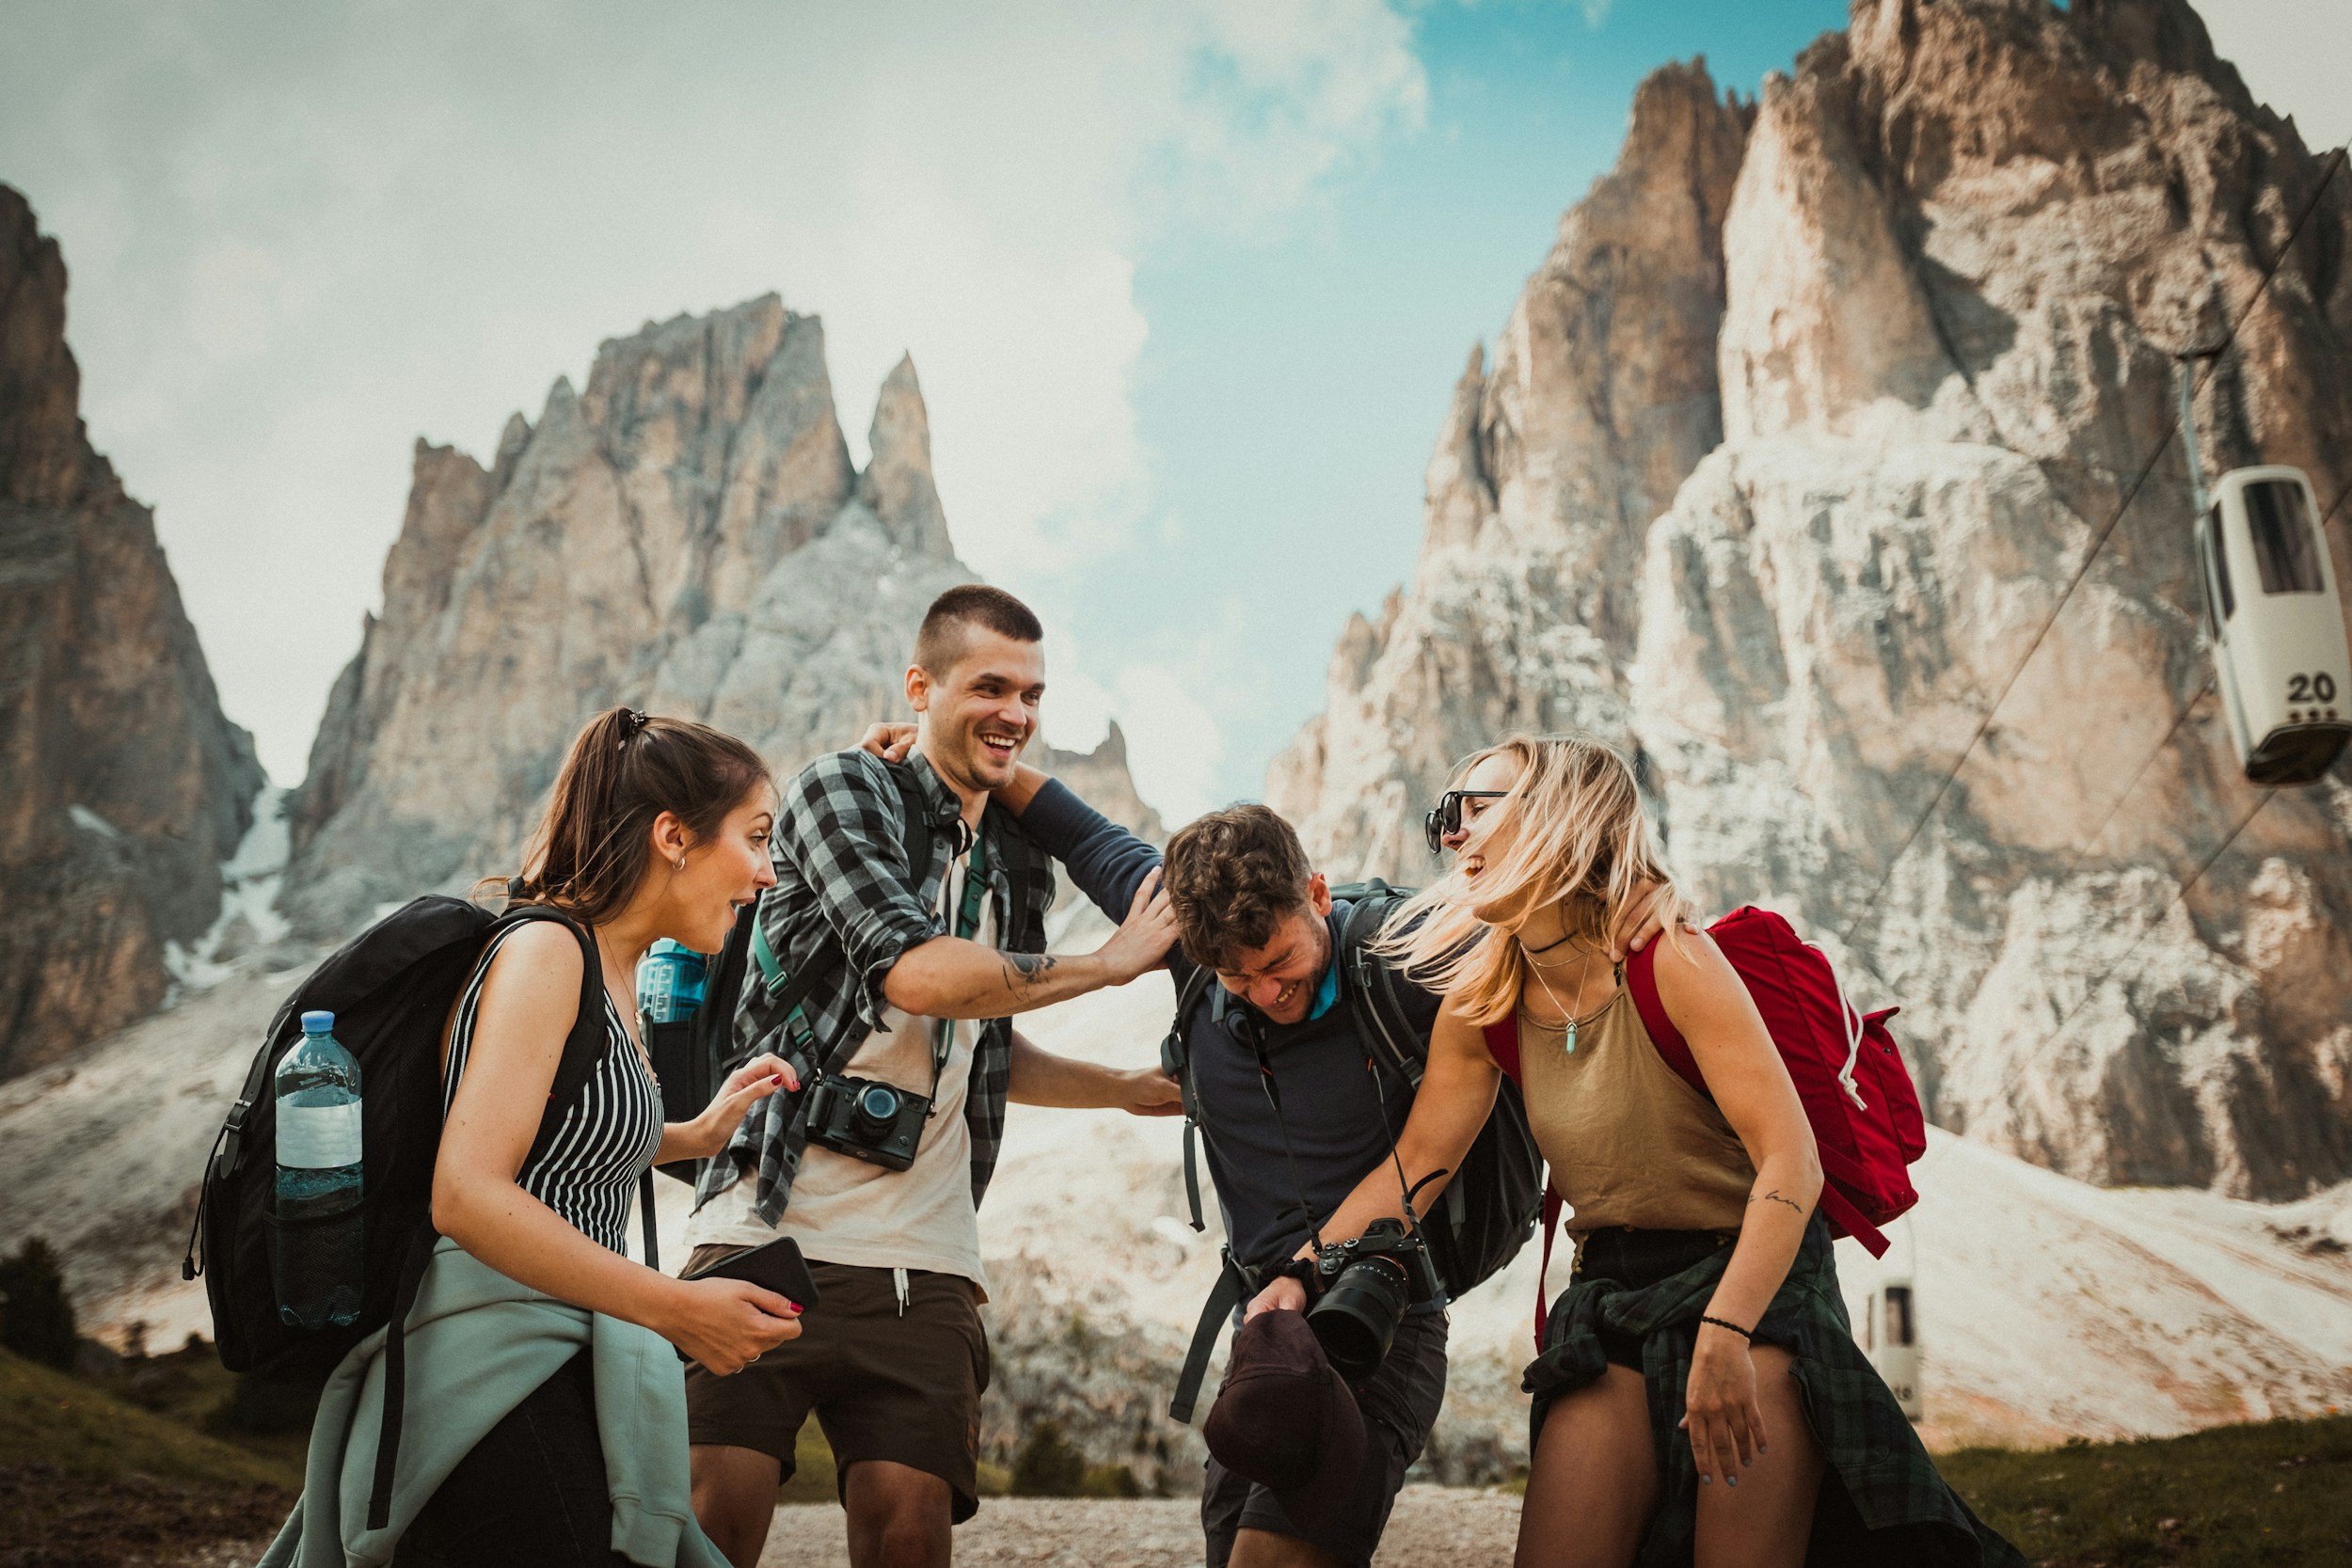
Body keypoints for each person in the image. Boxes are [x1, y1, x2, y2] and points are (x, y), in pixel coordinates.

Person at [840, 744, 1658, 1568]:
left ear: (1317, 895)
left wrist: (1644, 902)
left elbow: (1552, 906)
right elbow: (1078, 831)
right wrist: (946, 743)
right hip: (1267, 1327)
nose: (1267, 991)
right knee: (1234, 1548)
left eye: (1279, 963)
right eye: (1235, 977)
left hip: (1382, 1312)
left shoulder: (1412, 950)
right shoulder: (1186, 937)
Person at [1309, 733, 2026, 1568]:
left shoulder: (1670, 957)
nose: (1451, 835)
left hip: (1753, 1283)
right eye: (1446, 815)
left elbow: (1792, 1160)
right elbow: (1414, 1165)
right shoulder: (1485, 1001)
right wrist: (1297, 1272)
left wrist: (1728, 1329)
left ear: (1557, 814)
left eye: (1475, 809)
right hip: (1612, 1290)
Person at [682, 585, 1183, 1568]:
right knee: (710, 1525)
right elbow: (914, 971)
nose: (1018, 710)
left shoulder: (1016, 857)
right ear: (920, 685)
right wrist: (1108, 964)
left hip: (929, 1254)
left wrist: (1120, 1086)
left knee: (910, 1535)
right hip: (767, 1220)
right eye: (989, 685)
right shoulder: (840, 790)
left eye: (1033, 693)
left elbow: (981, 1041)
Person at [268, 707, 812, 1568]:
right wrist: (676, 1309)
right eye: (753, 838)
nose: (768, 871)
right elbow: (469, 1190)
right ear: (674, 835)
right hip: (492, 1373)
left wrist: (694, 1132)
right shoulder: (548, 951)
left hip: (563, 1353)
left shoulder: (615, 968)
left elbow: (555, 1140)